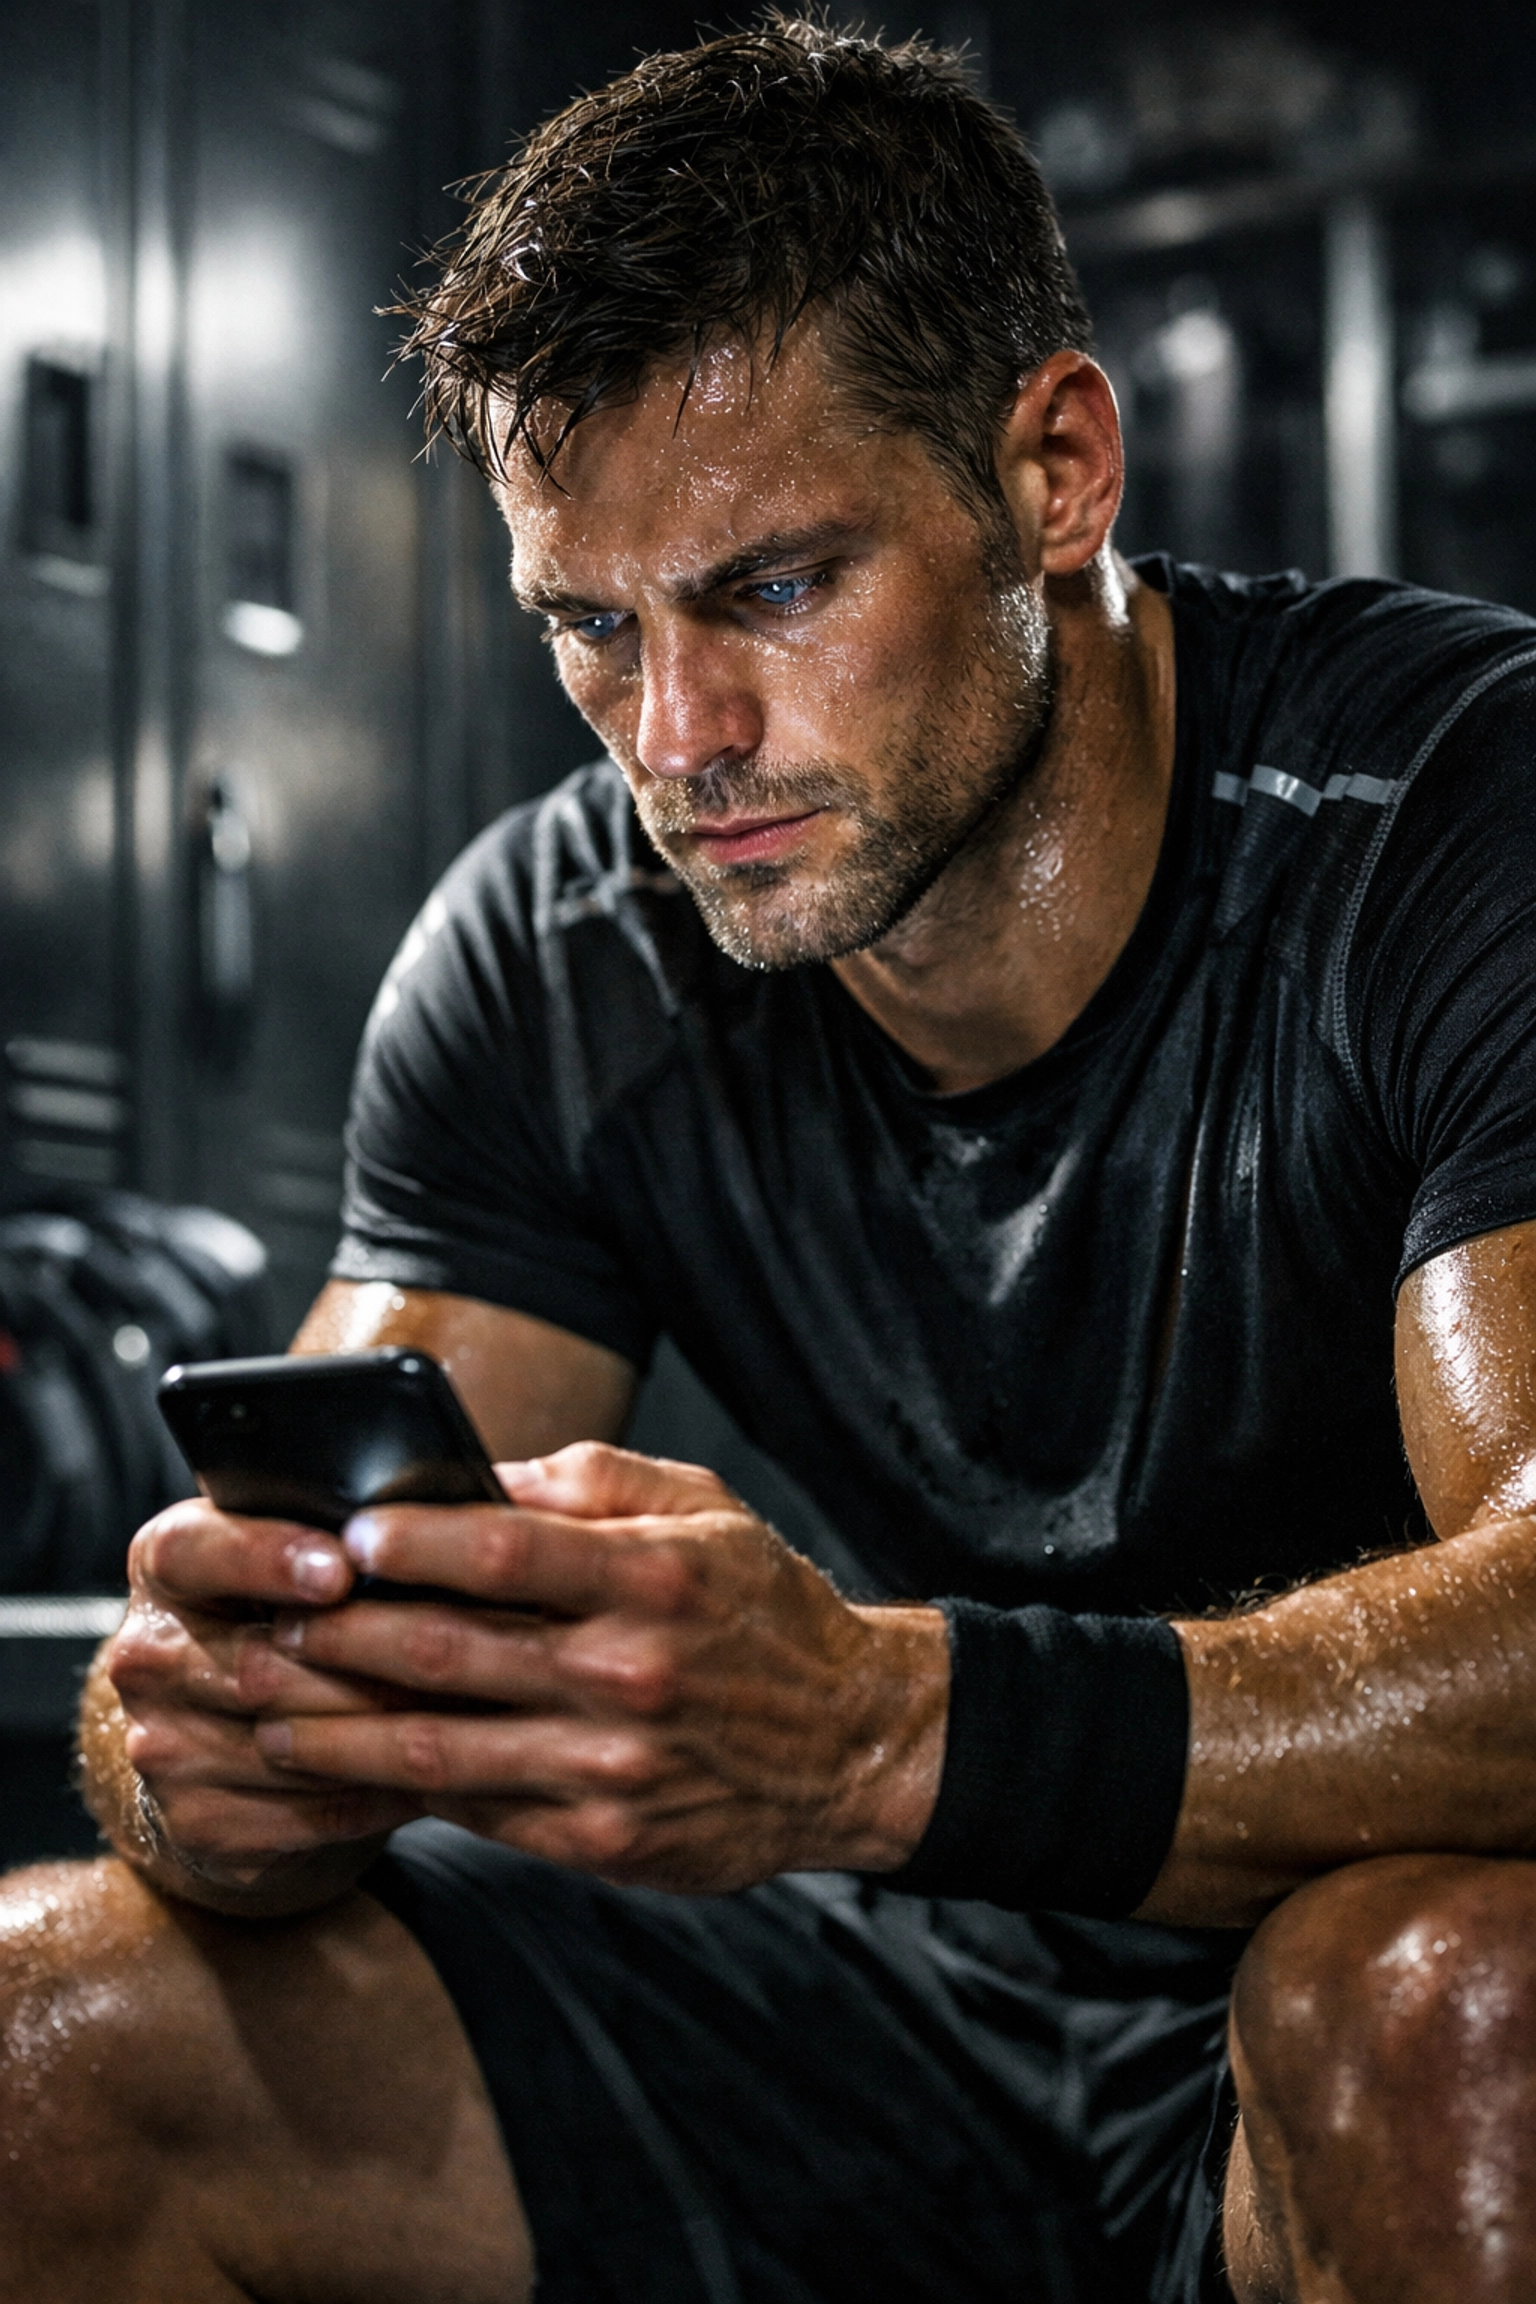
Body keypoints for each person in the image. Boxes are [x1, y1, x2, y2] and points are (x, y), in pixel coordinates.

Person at [8, 18, 1536, 2301]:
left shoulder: (1449, 820)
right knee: (51, 2020)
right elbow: (268, 1621)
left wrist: (877, 1732)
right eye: (589, 629)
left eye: (776, 589)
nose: (678, 740)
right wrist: (210, 1763)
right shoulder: (554, 954)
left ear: (1054, 469)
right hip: (901, 2004)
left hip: (1301, 1981)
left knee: (1454, 2005)